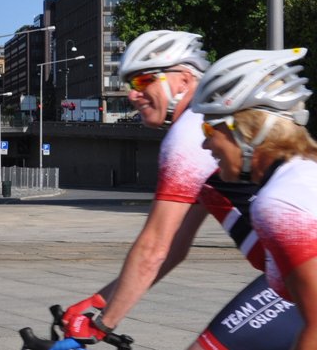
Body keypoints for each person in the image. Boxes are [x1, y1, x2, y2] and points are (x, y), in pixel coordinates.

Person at [57, 30, 303, 350]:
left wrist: (103, 324)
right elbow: (173, 247)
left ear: (184, 80)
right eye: (130, 84)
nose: (132, 94)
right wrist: (100, 301)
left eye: (143, 81)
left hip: (296, 274)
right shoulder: (209, 131)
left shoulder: (190, 133)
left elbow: (154, 246)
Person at [192, 48, 316, 349]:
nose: (205, 142)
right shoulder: (304, 175)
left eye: (210, 127)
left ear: (248, 130)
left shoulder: (279, 203)